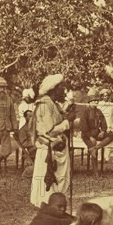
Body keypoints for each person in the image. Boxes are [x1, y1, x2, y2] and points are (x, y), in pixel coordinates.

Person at [29, 74, 74, 208]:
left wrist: (68, 116)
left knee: (58, 177)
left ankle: (55, 202)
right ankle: (48, 203)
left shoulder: (53, 104)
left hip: (57, 147)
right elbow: (50, 130)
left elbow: (57, 122)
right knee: (49, 176)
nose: (64, 91)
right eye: (61, 88)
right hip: (49, 148)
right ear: (53, 89)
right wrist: (68, 121)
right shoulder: (44, 105)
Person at [80, 89, 113, 170]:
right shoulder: (85, 112)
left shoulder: (99, 111)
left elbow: (104, 123)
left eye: (96, 101)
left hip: (97, 133)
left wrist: (103, 131)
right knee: (92, 145)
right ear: (89, 102)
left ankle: (95, 148)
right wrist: (90, 137)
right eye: (94, 101)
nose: (96, 102)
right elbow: (83, 127)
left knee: (112, 135)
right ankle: (95, 171)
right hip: (87, 135)